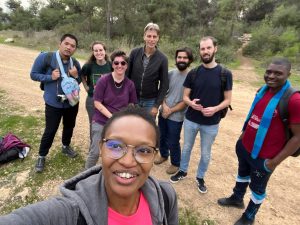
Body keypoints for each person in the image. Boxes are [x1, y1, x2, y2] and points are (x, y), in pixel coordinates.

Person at [0, 106, 179, 225]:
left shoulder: (165, 196)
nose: (128, 161)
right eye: (116, 146)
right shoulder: (71, 213)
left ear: (154, 155)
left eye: (144, 150)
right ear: (100, 147)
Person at [217, 58, 300, 225]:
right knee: (242, 175)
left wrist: (274, 162)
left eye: (278, 73)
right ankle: (237, 198)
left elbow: (298, 137)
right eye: (269, 72)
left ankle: (249, 216)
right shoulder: (263, 90)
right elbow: (255, 116)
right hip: (246, 147)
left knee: (257, 188)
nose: (271, 76)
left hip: (265, 157)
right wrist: (243, 135)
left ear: (288, 75)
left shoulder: (294, 100)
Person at [170, 36, 233, 194]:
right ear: (199, 51)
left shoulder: (225, 73)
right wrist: (191, 104)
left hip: (211, 122)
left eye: (208, 48)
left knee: (205, 153)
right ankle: (183, 171)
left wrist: (215, 109)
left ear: (215, 49)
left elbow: (228, 100)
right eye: (203, 49)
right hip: (191, 119)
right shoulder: (194, 73)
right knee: (186, 148)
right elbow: (185, 97)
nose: (205, 51)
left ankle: (200, 177)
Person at [30, 33, 81, 173]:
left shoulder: (74, 62)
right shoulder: (46, 57)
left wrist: (77, 76)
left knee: (69, 126)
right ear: (60, 43)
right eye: (66, 44)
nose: (69, 47)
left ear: (75, 49)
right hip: (53, 103)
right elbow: (33, 74)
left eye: (73, 46)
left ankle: (65, 146)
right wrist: (50, 77)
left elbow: (79, 81)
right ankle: (42, 155)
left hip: (72, 102)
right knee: (50, 130)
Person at [85, 50, 137, 169]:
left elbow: (131, 104)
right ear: (112, 64)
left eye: (123, 63)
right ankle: (84, 177)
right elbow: (97, 103)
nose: (119, 65)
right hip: (101, 120)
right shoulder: (103, 80)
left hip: (119, 123)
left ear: (126, 66)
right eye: (116, 63)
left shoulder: (130, 84)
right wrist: (112, 117)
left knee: (116, 152)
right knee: (95, 152)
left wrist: (127, 120)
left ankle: (110, 175)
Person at [154, 47, 194, 175]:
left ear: (190, 60)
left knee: (173, 139)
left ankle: (176, 163)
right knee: (161, 135)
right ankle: (164, 155)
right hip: (163, 111)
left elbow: (186, 100)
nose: (181, 60)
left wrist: (171, 110)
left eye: (185, 58)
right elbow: (162, 92)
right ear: (176, 59)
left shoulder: (192, 77)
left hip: (177, 116)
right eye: (179, 57)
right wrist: (164, 106)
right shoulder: (170, 74)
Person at [127, 22, 169, 117]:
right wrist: (128, 97)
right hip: (134, 98)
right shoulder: (134, 53)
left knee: (147, 129)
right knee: (132, 126)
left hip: (150, 101)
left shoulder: (162, 59)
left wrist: (156, 105)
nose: (151, 39)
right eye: (149, 36)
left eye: (154, 37)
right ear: (144, 36)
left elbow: (164, 85)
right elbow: (127, 76)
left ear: (158, 38)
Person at [80, 41, 112, 140]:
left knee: (108, 124)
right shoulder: (89, 65)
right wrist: (86, 86)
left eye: (101, 50)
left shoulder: (111, 65)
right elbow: (82, 75)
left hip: (108, 101)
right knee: (94, 125)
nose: (99, 53)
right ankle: (93, 147)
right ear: (93, 52)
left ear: (105, 51)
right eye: (96, 51)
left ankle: (105, 146)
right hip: (92, 100)